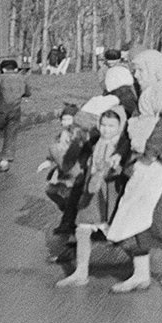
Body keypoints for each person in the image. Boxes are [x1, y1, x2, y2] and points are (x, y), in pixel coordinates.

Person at [107, 49, 162, 294]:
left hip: (161, 164)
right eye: (135, 70)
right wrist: (121, 153)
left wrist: (150, 152)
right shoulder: (149, 92)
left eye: (141, 70)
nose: (137, 74)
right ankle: (141, 275)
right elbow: (135, 126)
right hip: (144, 160)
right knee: (132, 217)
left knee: (154, 218)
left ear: (155, 69)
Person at [55, 105, 132, 288]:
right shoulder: (95, 142)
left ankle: (141, 265)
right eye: (103, 124)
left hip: (111, 195)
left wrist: (114, 167)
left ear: (120, 127)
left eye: (111, 126)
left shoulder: (122, 147)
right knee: (82, 228)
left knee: (120, 234)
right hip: (92, 195)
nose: (106, 129)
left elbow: (124, 170)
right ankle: (81, 272)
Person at [38, 103, 90, 238]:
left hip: (75, 170)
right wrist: (48, 161)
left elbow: (83, 151)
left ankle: (70, 224)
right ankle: (67, 211)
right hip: (61, 169)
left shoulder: (80, 134)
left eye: (69, 119)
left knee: (71, 195)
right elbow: (57, 150)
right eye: (63, 119)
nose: (65, 122)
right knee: (51, 191)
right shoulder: (61, 134)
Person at [0, 58, 32, 172]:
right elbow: (28, 93)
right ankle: (5, 161)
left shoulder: (0, 78)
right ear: (15, 69)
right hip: (15, 111)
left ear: (3, 69)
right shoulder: (22, 78)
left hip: (0, 110)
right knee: (11, 134)